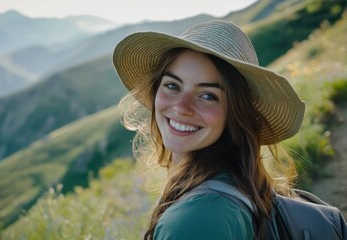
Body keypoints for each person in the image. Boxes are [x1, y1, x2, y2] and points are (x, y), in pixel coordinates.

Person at [113, 20, 305, 239]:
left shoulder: (196, 220)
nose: (182, 108)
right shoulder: (237, 184)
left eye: (208, 96)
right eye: (173, 86)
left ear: (234, 113)